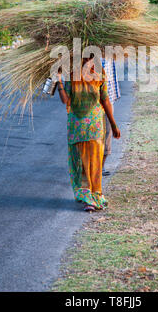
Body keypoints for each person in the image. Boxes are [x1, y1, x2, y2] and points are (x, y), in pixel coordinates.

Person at [57, 58, 121, 212]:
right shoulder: (86, 73)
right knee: (88, 162)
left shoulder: (86, 73)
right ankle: (91, 196)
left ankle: (91, 196)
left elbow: (104, 100)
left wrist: (113, 124)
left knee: (88, 162)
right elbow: (104, 100)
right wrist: (113, 124)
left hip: (86, 127)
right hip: (87, 127)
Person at [101, 58, 121, 176]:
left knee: (107, 135)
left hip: (107, 101)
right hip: (93, 105)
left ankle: (100, 167)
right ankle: (89, 167)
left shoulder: (108, 57)